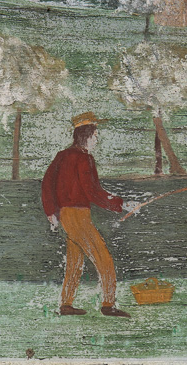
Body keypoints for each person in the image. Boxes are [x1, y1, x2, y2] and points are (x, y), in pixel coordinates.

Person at [41, 112, 139, 318]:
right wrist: (122, 204)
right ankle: (108, 304)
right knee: (103, 259)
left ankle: (66, 304)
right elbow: (92, 191)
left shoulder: (62, 155)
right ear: (86, 136)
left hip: (67, 216)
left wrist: (51, 212)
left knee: (75, 262)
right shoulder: (84, 159)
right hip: (77, 217)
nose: (97, 139)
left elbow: (47, 184)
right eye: (96, 135)